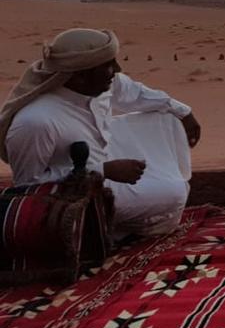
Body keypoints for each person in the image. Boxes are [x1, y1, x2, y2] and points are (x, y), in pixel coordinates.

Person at [0, 28, 202, 237]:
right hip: (80, 192)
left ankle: (129, 218)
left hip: (105, 155)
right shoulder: (36, 122)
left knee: (167, 118)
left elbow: (134, 92)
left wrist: (184, 112)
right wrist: (104, 171)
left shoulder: (99, 84)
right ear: (79, 77)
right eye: (108, 65)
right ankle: (115, 230)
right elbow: (28, 188)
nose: (117, 69)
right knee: (173, 194)